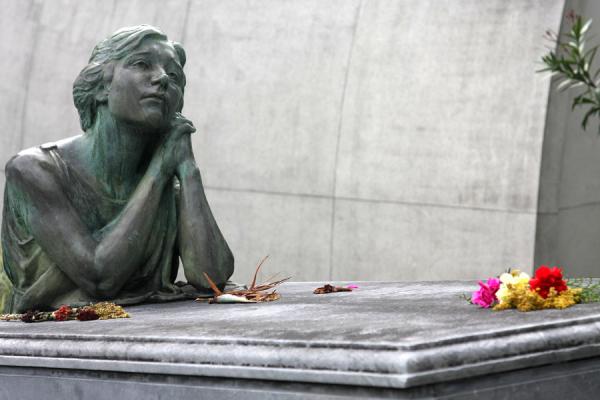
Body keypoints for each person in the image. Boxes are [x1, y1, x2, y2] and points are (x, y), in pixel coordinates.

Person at [0, 25, 234, 313]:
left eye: (174, 76)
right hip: (54, 344)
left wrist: (187, 168)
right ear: (101, 85)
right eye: (141, 64)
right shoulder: (35, 170)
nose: (162, 78)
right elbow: (99, 277)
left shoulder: (164, 189)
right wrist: (161, 169)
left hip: (143, 338)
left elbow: (213, 277)